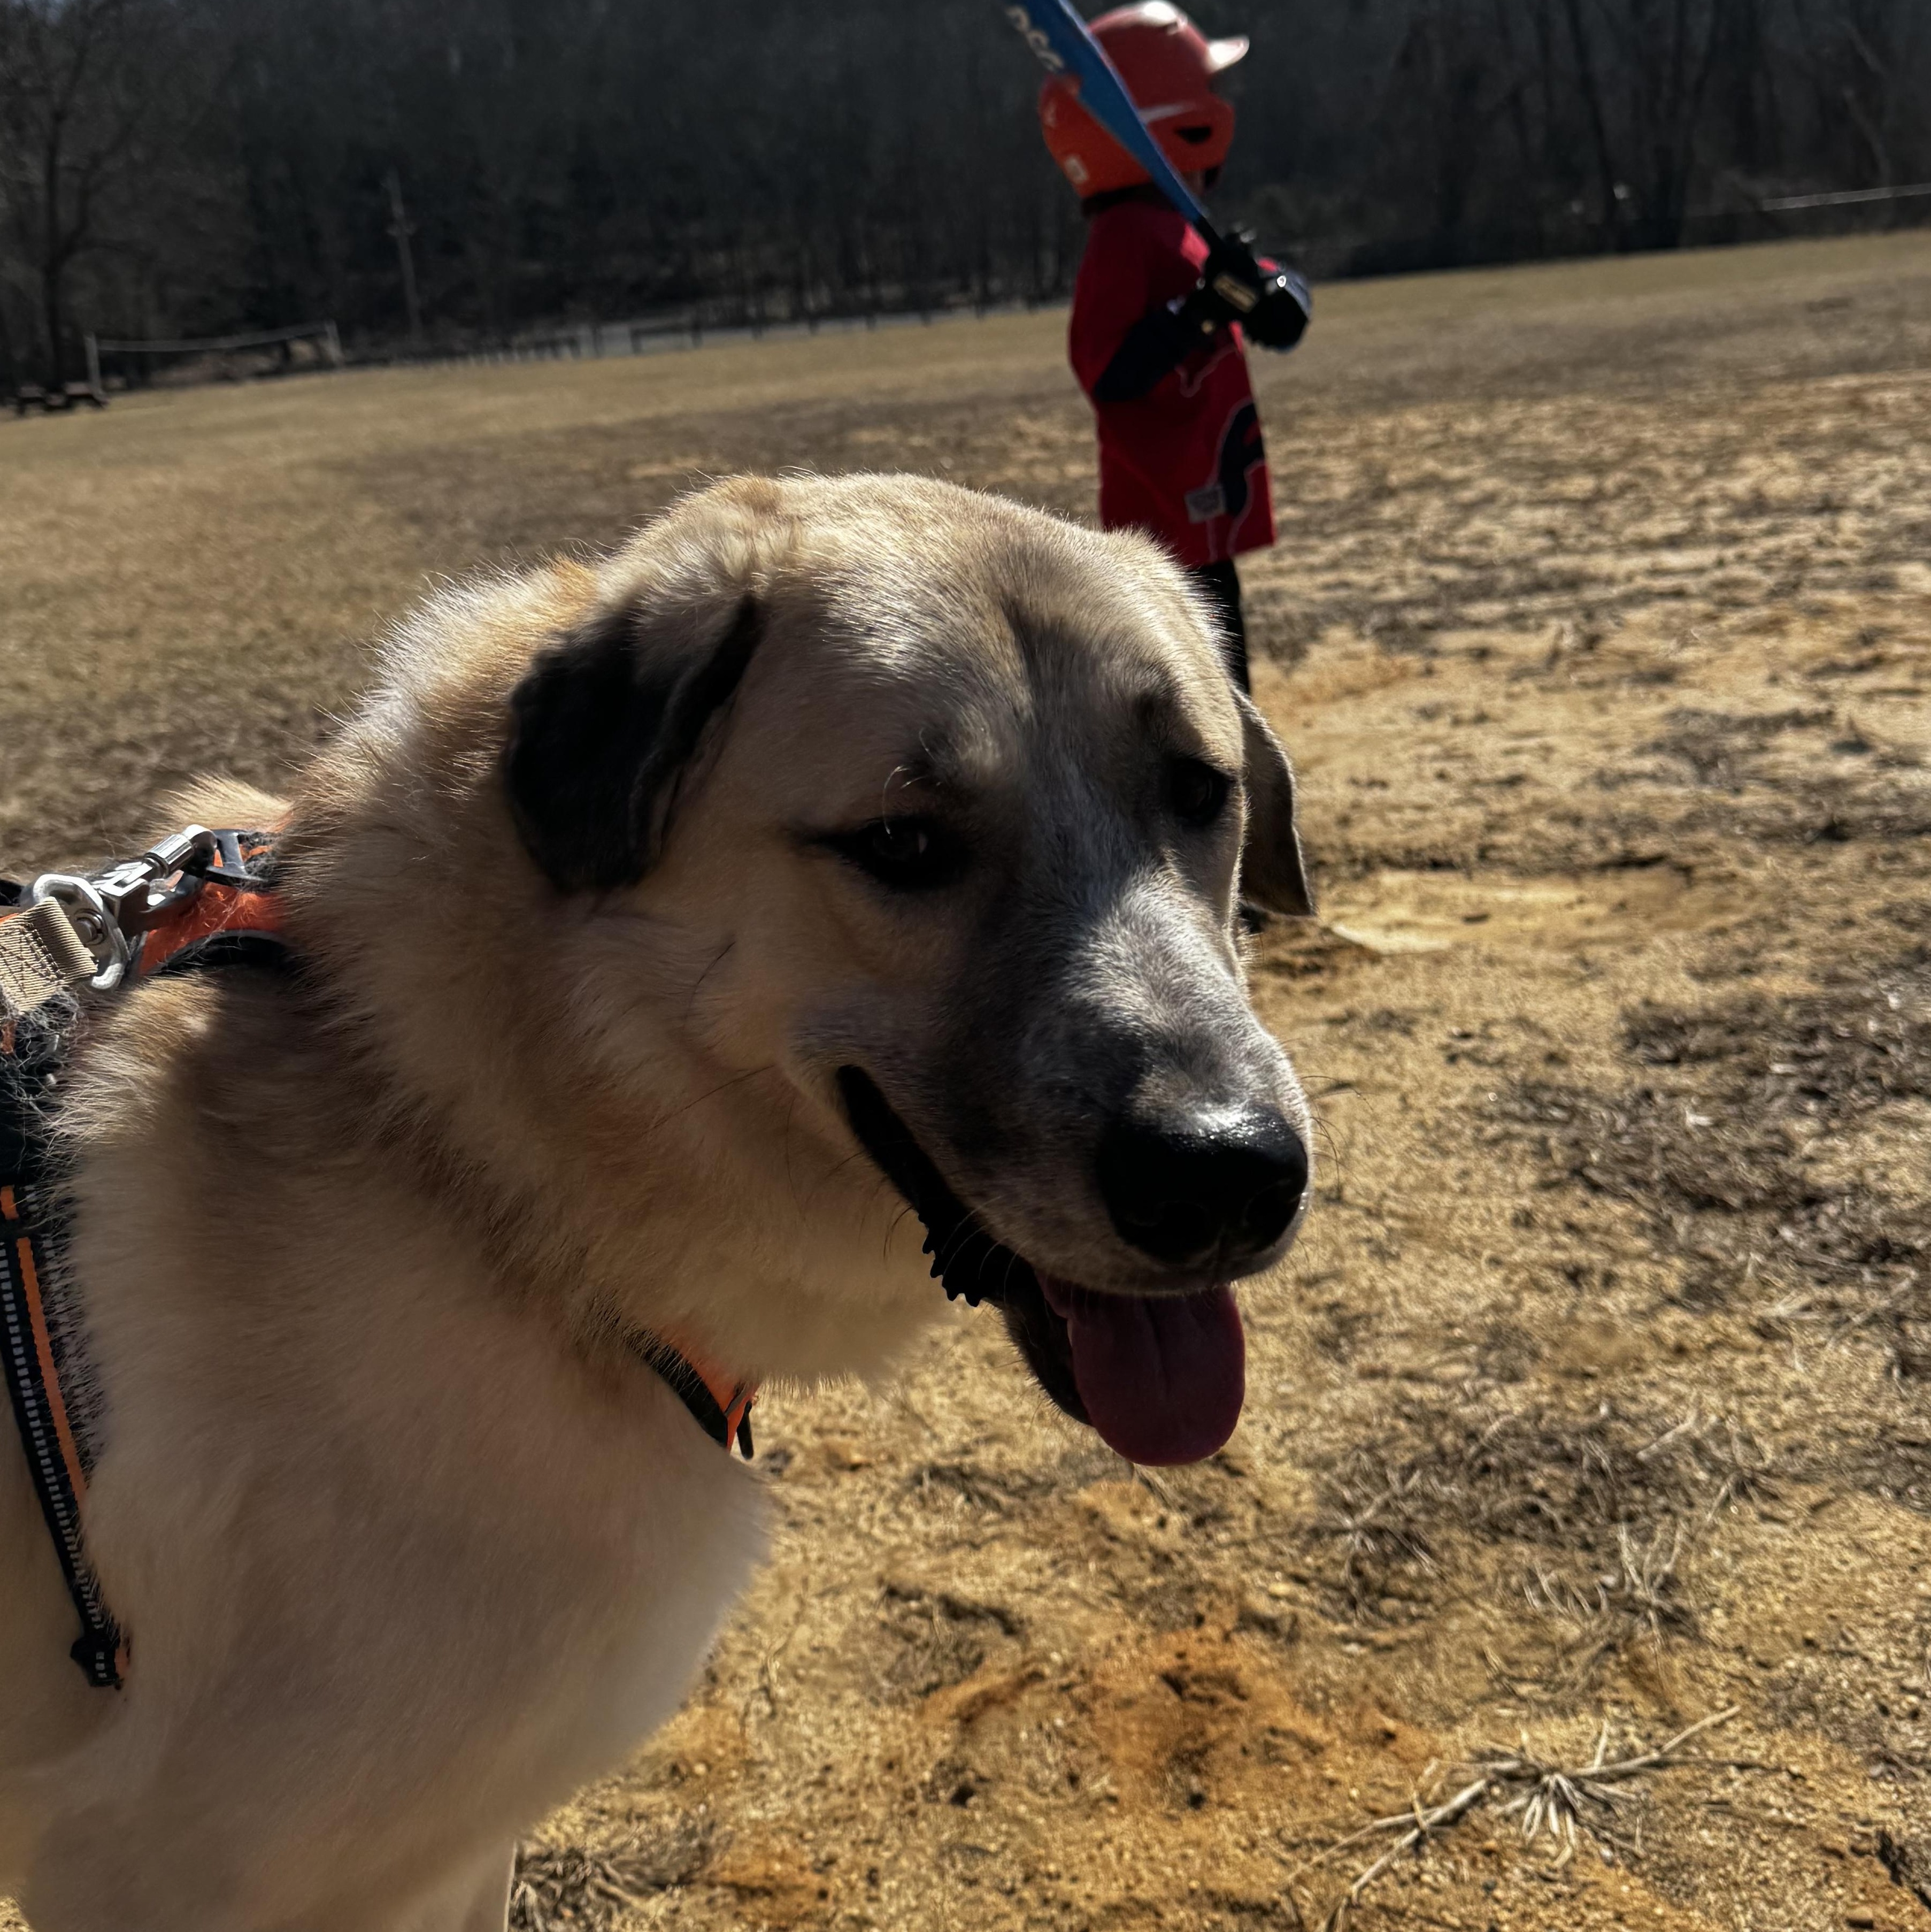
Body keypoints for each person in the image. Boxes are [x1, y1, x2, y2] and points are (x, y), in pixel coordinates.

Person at [1040, 1, 1309, 692]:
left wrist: (1274, 296)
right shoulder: (1125, 239)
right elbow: (1111, 371)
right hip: (1163, 528)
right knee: (1206, 692)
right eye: (1205, 89)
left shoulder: (1175, 230)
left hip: (1199, 507)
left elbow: (1267, 295)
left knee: (1223, 683)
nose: (1220, 104)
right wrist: (1199, 313)